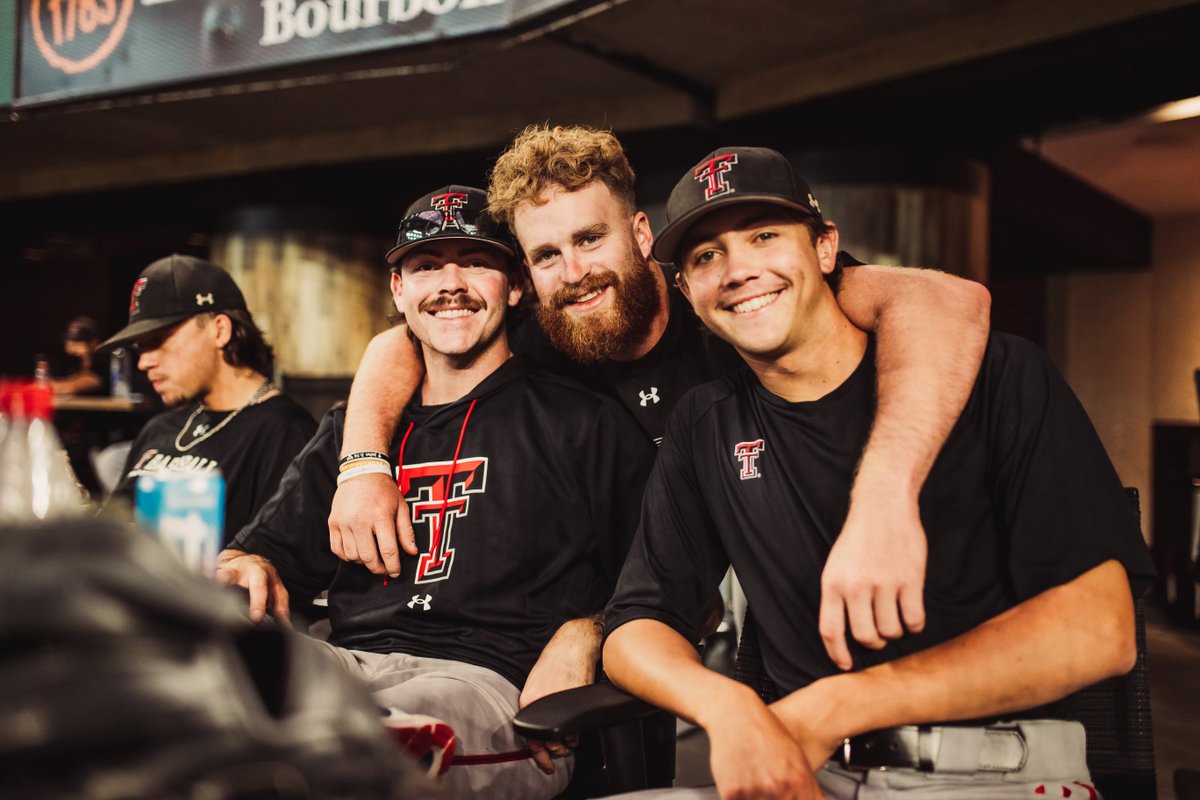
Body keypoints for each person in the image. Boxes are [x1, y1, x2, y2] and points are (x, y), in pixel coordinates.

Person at [601, 147, 1157, 799]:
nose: (738, 270)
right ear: (688, 292)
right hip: (813, 774)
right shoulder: (706, 423)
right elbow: (637, 622)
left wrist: (832, 708)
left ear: (827, 249)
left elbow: (1100, 632)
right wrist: (729, 709)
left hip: (998, 774)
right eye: (705, 256)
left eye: (765, 235)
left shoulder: (998, 376)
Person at [330, 125, 993, 664]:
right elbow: (404, 343)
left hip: (814, 574)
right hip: (653, 594)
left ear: (642, 235)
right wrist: (363, 465)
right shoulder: (543, 333)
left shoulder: (731, 296)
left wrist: (886, 496)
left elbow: (948, 301)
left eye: (591, 238)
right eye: (547, 254)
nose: (575, 273)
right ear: (526, 274)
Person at [216, 186, 656, 800]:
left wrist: (590, 630)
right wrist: (246, 566)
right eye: (426, 267)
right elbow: (261, 553)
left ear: (516, 285)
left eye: (475, 262)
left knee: (352, 756)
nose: (451, 284)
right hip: (347, 664)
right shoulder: (353, 434)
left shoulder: (585, 421)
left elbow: (664, 590)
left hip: (490, 686)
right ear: (399, 291)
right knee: (187, 689)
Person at [101, 254, 316, 545]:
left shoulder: (285, 432)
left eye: (159, 340)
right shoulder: (160, 427)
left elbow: (274, 560)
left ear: (220, 330)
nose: (144, 362)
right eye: (141, 347)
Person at [51, 316, 106, 396]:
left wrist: (59, 386)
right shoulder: (69, 360)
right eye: (68, 343)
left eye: (76, 343)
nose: (70, 349)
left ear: (93, 343)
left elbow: (93, 381)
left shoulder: (102, 361)